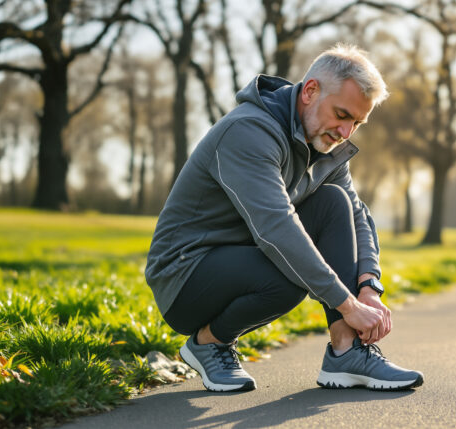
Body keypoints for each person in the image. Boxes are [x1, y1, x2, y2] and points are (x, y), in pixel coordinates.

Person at [144, 44, 423, 392]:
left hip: (244, 255)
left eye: (356, 122)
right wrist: (347, 304)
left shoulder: (325, 142)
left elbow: (356, 215)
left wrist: (369, 287)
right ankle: (209, 342)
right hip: (185, 274)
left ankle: (346, 352)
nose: (346, 132)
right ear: (310, 91)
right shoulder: (248, 131)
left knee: (334, 202)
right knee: (291, 273)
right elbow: (276, 229)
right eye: (341, 114)